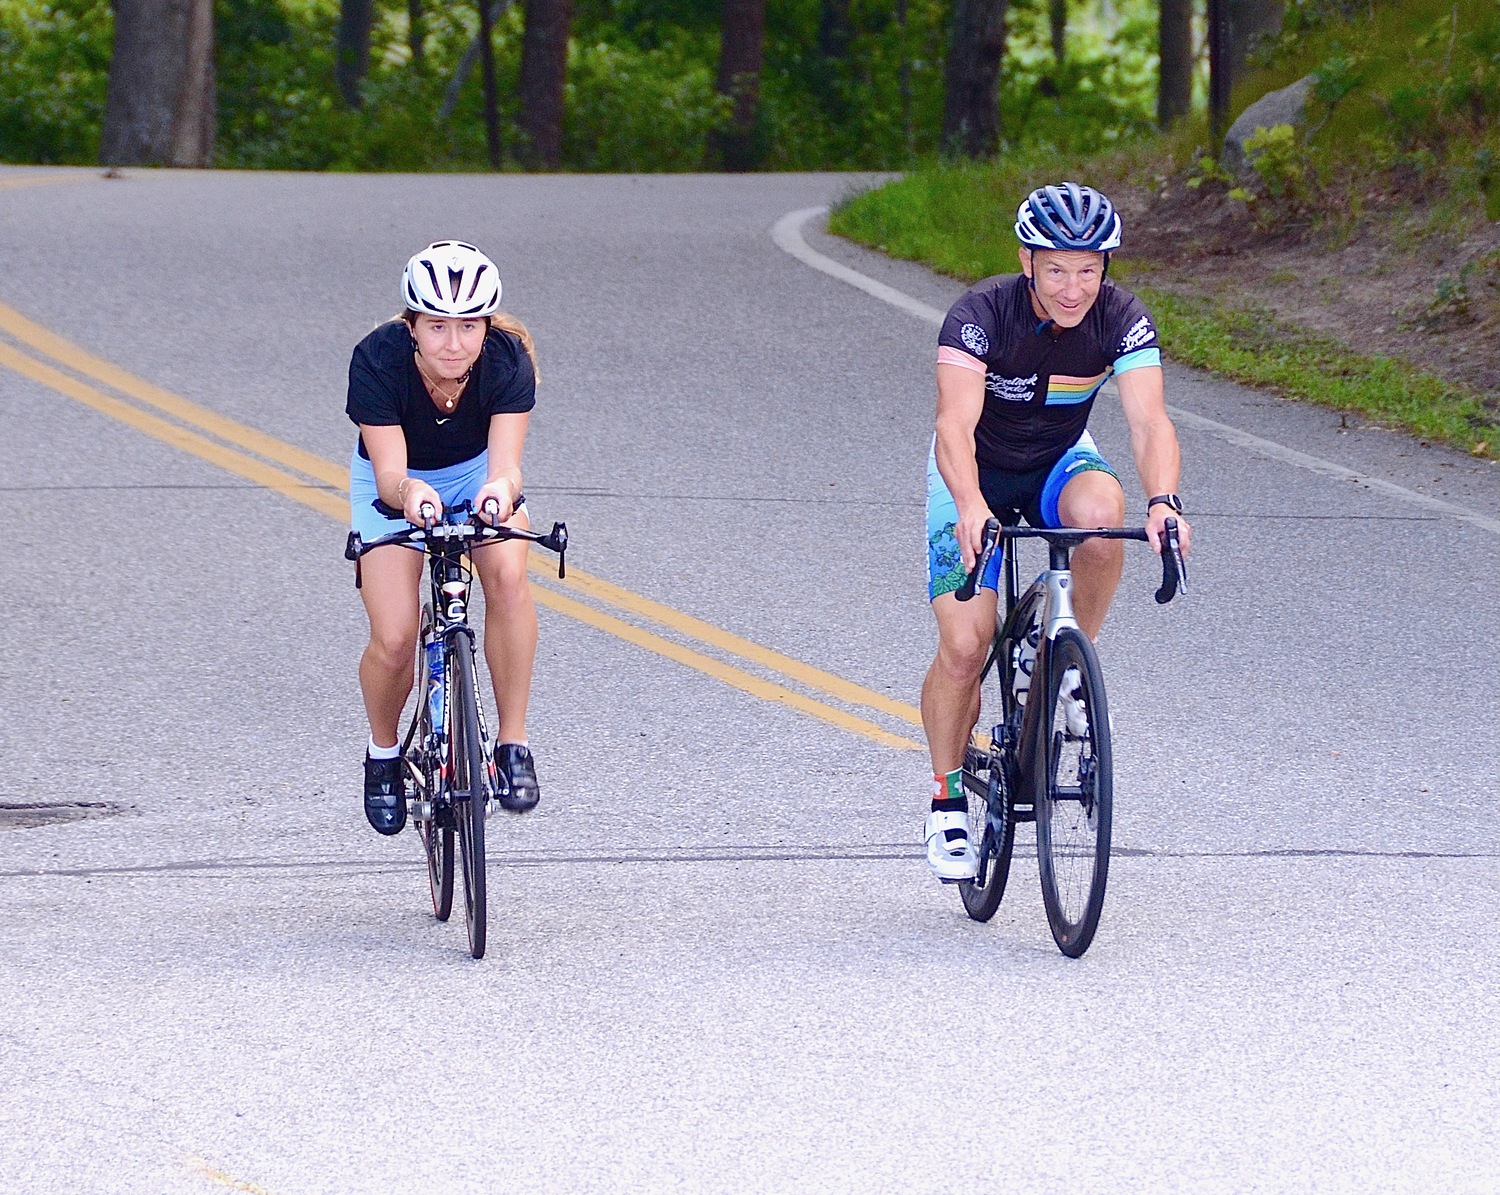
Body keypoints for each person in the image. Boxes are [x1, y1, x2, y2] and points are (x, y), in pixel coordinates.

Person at [921, 183, 1193, 880]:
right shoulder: (980, 315)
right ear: (1027, 261)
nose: (1074, 289)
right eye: (1056, 269)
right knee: (963, 645)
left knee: (1104, 514)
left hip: (1057, 462)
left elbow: (1148, 421)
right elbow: (953, 425)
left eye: (1089, 269)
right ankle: (948, 799)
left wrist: (1164, 501)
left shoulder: (1122, 319)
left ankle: (1066, 662)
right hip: (971, 473)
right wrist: (970, 502)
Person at [346, 240, 543, 836]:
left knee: (507, 576)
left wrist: (498, 494)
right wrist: (412, 497)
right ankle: (383, 757)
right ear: (411, 327)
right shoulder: (377, 360)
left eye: (467, 327)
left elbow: (507, 465)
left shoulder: (508, 359)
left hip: (475, 474)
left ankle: (512, 744)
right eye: (436, 327)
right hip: (397, 481)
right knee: (397, 635)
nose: (453, 344)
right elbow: (389, 475)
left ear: (486, 326)